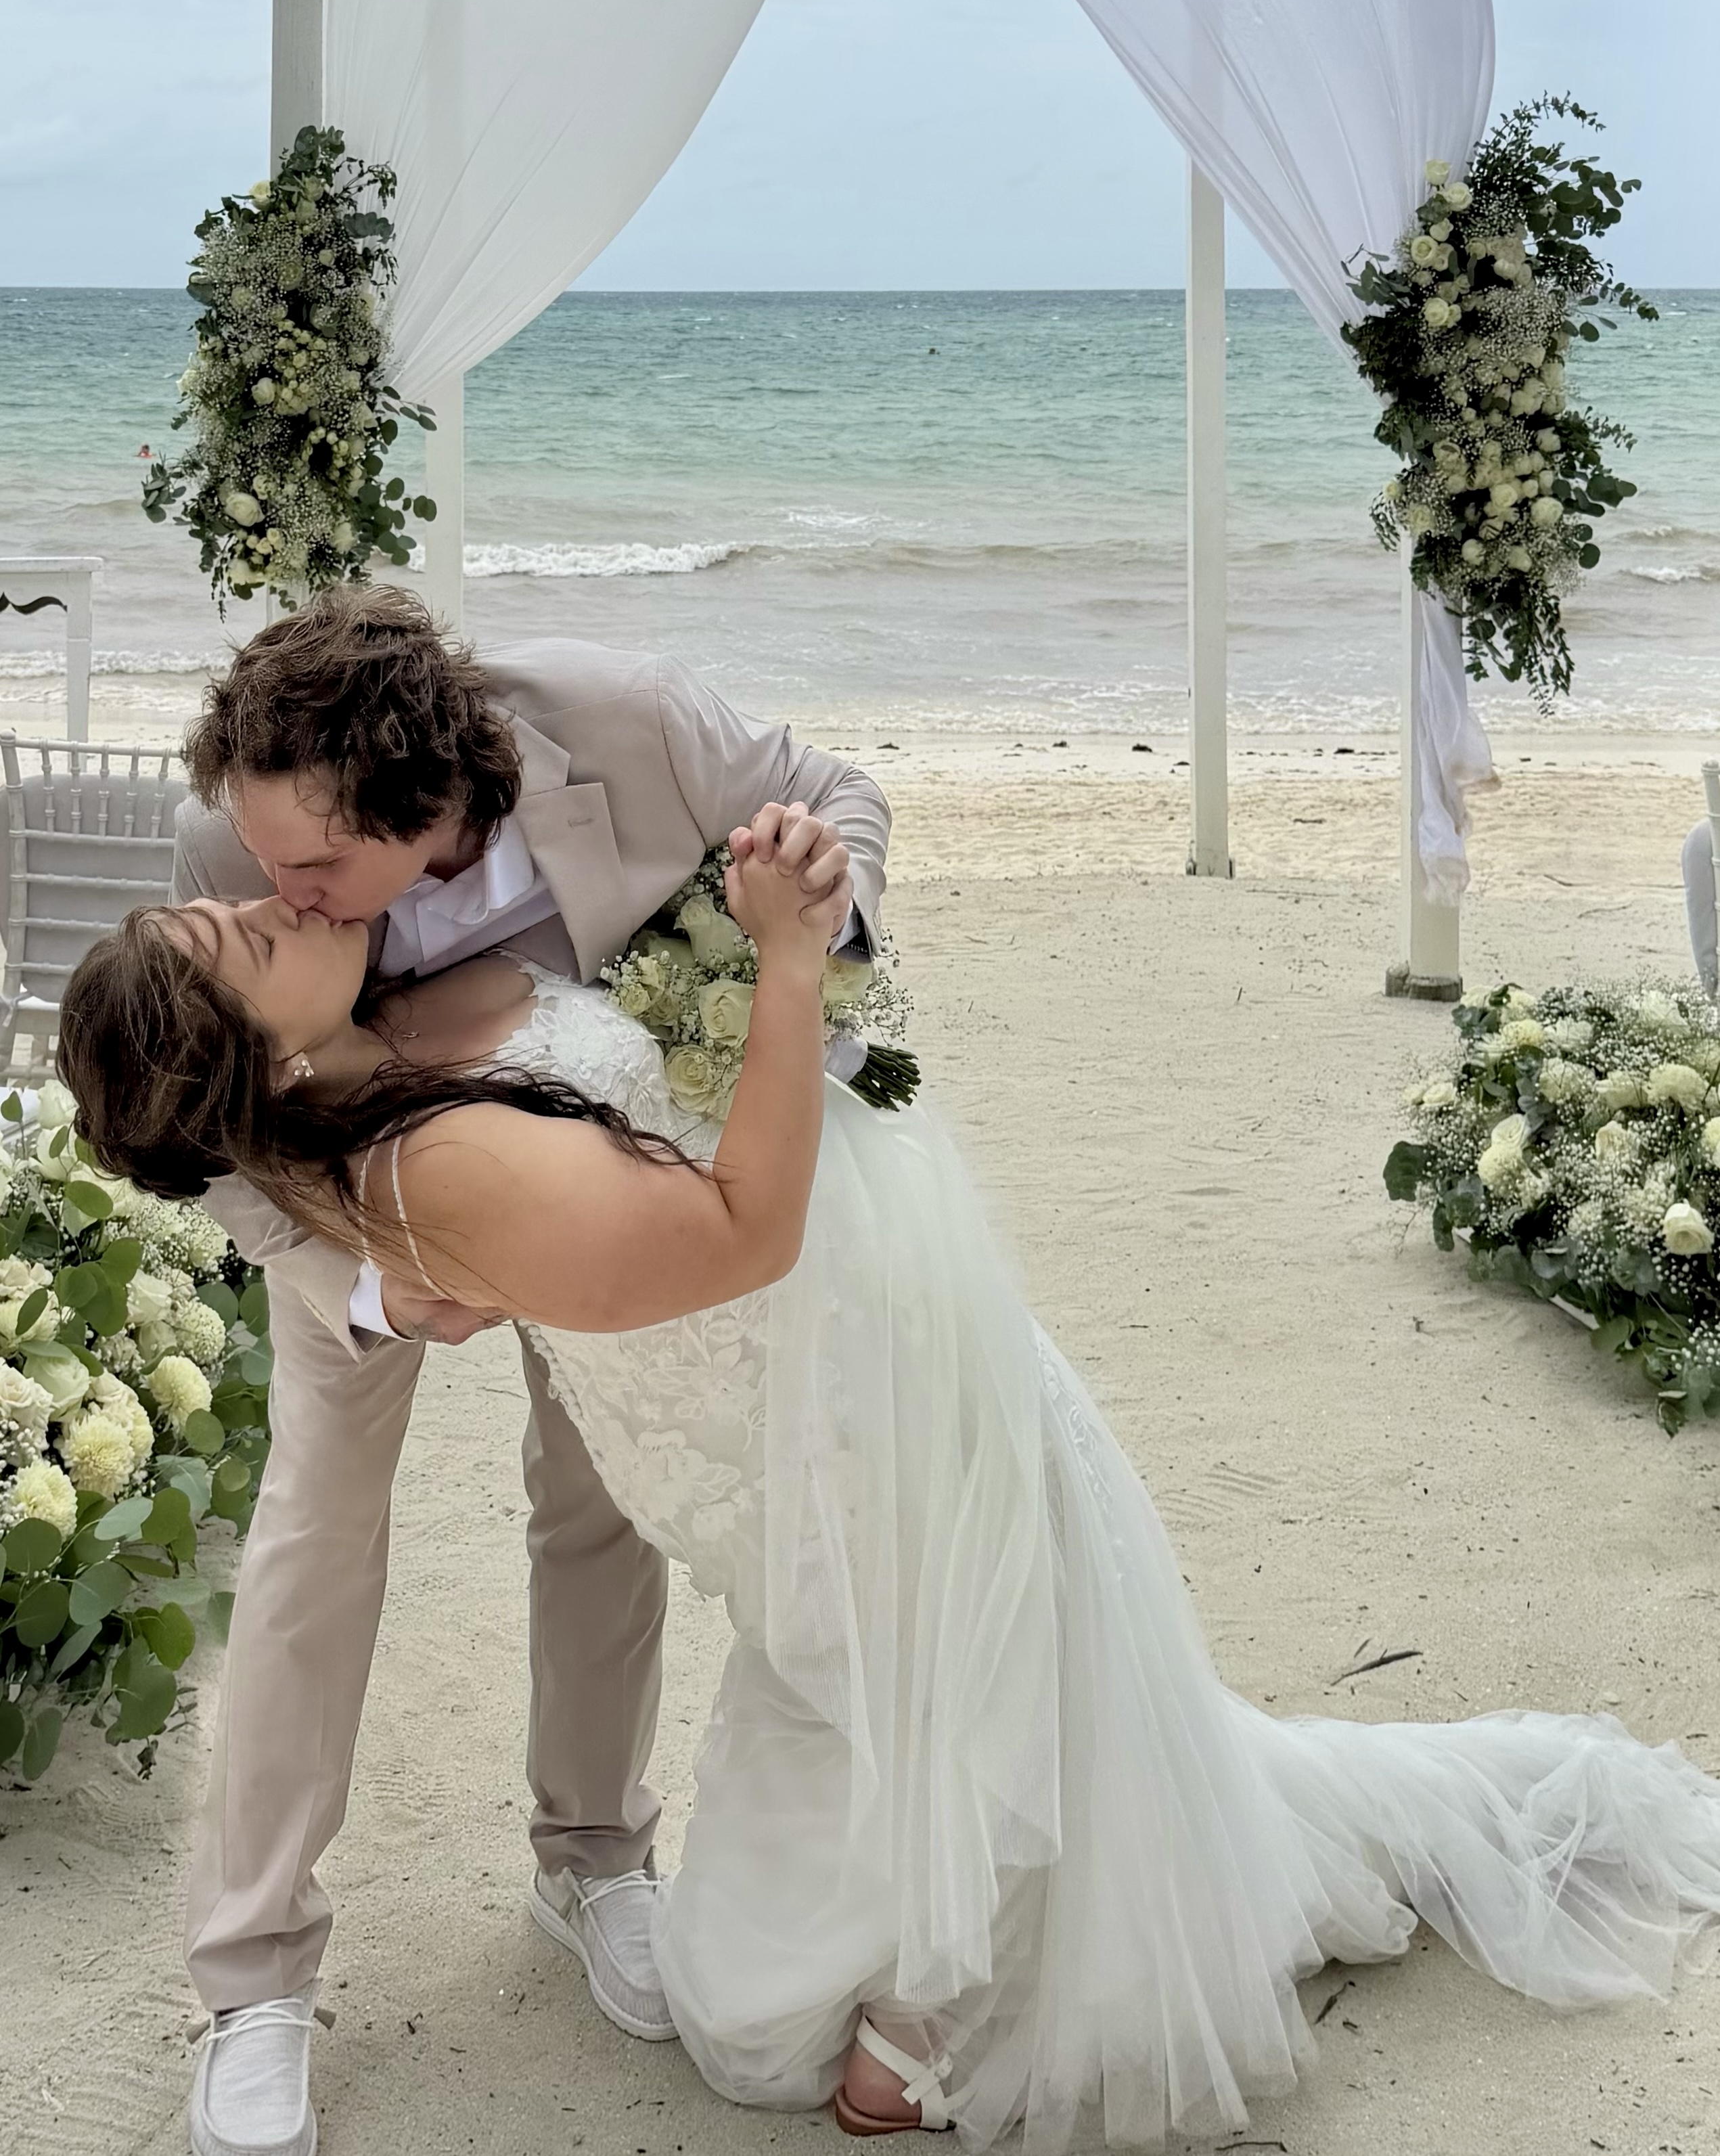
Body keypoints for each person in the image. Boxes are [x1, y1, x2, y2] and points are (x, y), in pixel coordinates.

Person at [61, 837, 1720, 2153]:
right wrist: (783, 963)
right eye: (244, 941)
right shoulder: (415, 1164)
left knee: (913, 1750)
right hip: (779, 1441)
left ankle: (942, 1988)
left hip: (879, 1395)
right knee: (746, 2002)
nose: (265, 895)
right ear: (262, 1062)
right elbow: (738, 1231)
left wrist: (784, 915)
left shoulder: (403, 1000)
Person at [159, 586, 890, 2156]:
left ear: (422, 807)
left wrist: (819, 903)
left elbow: (832, 794)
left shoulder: (622, 713)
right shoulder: (237, 836)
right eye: (269, 868)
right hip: (348, 1204)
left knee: (602, 1498)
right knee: (315, 1533)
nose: (278, 892)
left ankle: (593, 1858)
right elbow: (205, 1114)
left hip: (589, 1167)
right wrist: (363, 1279)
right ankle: (255, 1971)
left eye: (315, 871)